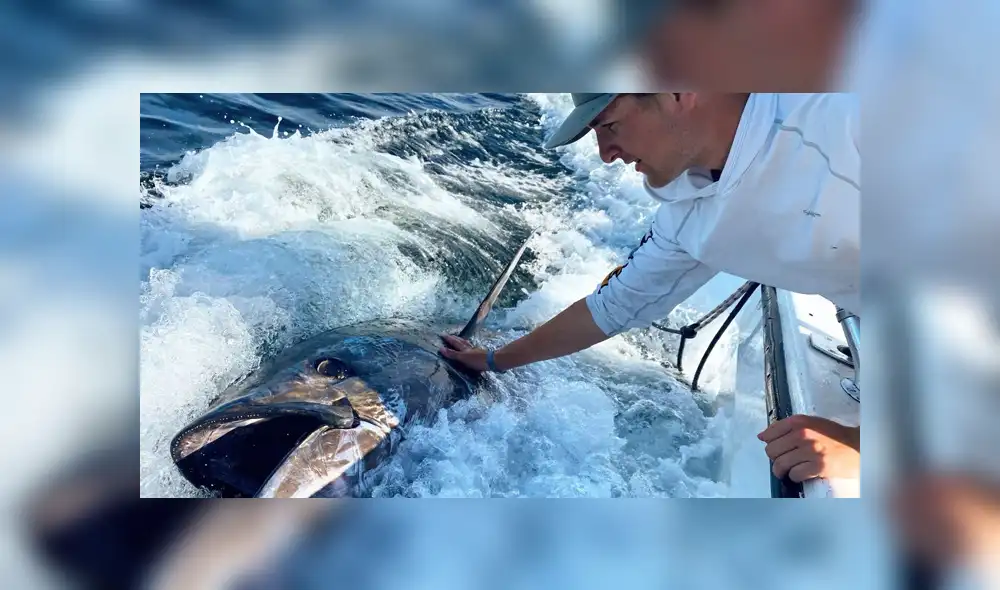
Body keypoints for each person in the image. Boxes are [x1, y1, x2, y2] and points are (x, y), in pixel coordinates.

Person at [439, 92, 861, 484]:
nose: (606, 154)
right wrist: (494, 360)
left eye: (610, 126)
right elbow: (612, 307)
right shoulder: (685, 213)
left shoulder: (841, 119)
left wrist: (861, 445)